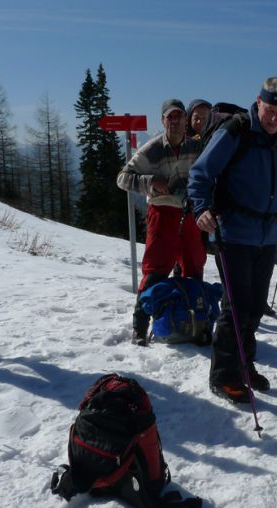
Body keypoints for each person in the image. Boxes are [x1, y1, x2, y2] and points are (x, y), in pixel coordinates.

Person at [188, 76, 277, 403]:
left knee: (254, 307)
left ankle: (244, 365)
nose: (275, 117)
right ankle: (224, 376)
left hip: (267, 235)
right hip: (232, 231)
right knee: (236, 307)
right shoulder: (236, 132)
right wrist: (202, 208)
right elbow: (200, 174)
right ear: (258, 102)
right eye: (271, 109)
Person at [117, 98, 206, 346]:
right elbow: (122, 178)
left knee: (193, 268)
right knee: (155, 271)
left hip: (189, 215)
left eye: (179, 116)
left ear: (186, 120)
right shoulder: (153, 149)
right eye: (171, 117)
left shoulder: (195, 148)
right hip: (162, 214)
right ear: (163, 120)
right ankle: (140, 326)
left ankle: (194, 322)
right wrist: (150, 181)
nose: (176, 121)